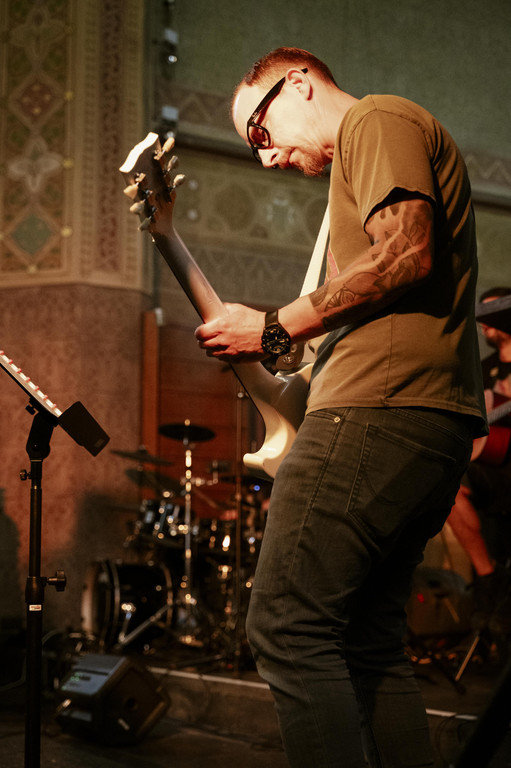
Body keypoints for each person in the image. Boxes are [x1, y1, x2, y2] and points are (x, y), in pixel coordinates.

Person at [195, 47, 487, 768]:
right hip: (425, 414)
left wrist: (272, 327)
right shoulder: (363, 156)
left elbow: (405, 253)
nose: (265, 158)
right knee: (367, 642)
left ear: (297, 84)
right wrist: (288, 352)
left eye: (260, 133)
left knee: (286, 625)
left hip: (378, 410)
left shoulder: (376, 119)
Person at [447, 287, 511, 631]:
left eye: (491, 315)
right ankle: (488, 576)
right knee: (448, 488)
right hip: (488, 469)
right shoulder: (483, 368)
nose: (483, 323)